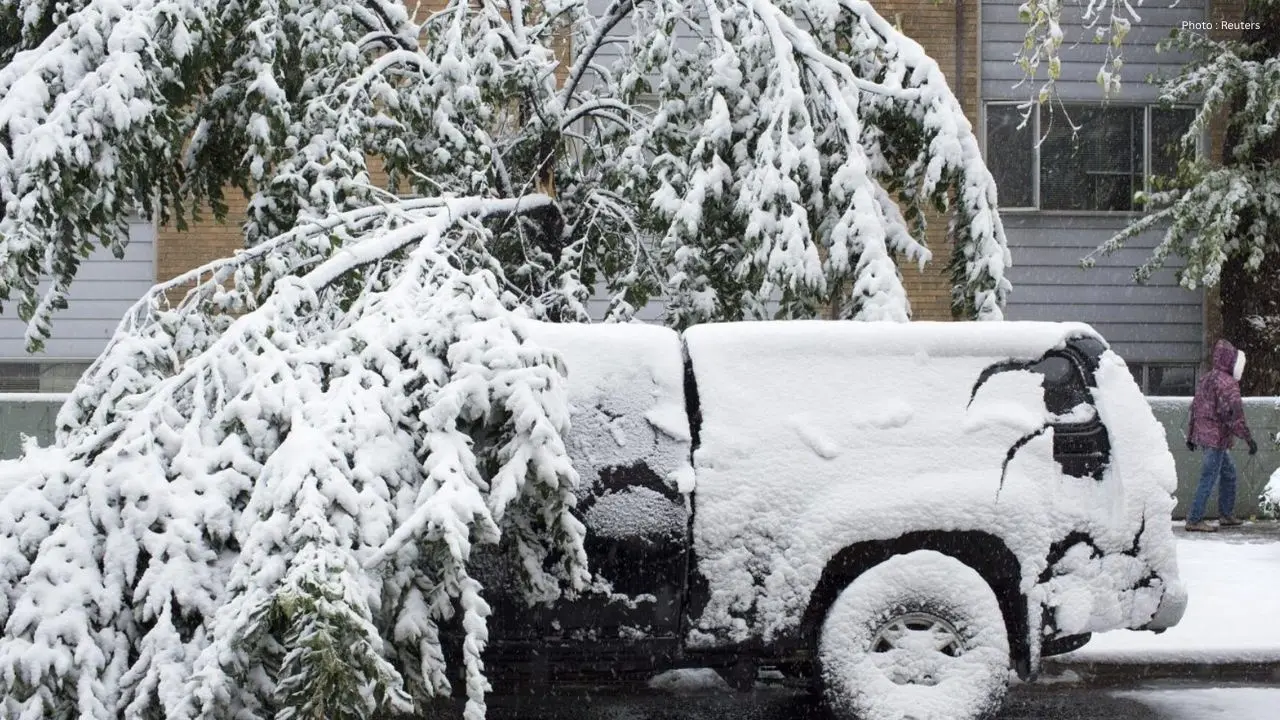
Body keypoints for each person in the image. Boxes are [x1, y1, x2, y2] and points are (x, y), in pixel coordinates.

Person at [1185, 338, 1257, 532]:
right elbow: (1235, 415)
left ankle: (1226, 515)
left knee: (1229, 473)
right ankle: (1194, 519)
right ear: (1231, 361)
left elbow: (1196, 408)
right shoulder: (1228, 383)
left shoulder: (1207, 378)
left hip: (1207, 437)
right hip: (1216, 439)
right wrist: (1249, 439)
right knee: (1208, 477)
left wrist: (1191, 436)